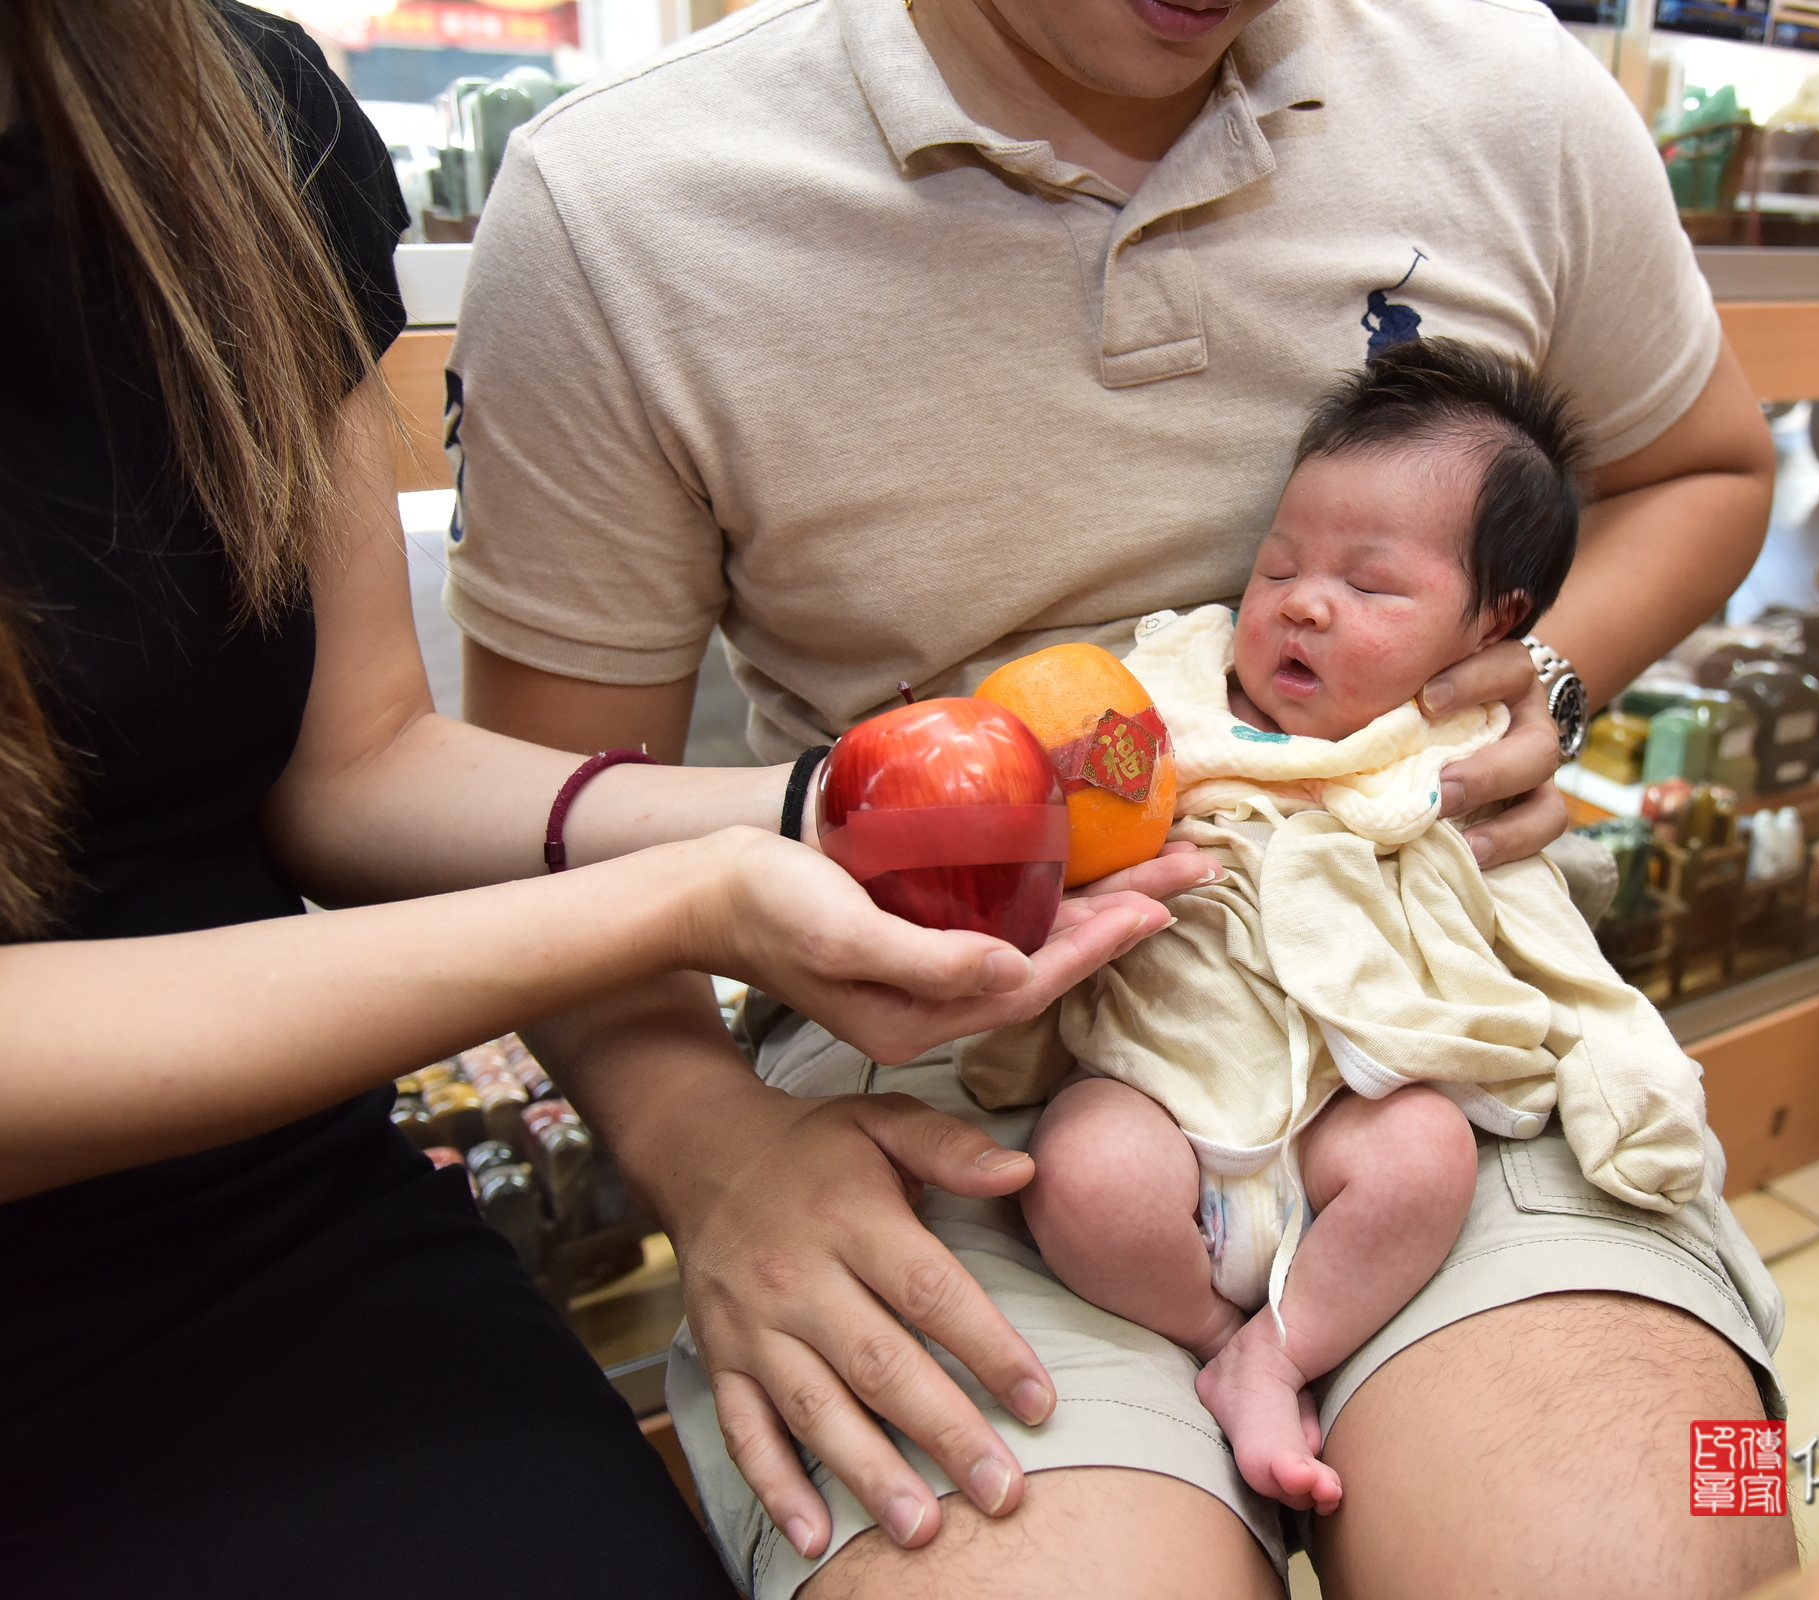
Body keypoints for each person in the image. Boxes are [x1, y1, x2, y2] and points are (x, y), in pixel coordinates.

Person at [446, 0, 1793, 1593]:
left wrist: (1542, 684)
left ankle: (1271, 1351)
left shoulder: (1514, 88)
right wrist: (705, 1148)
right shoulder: (622, 198)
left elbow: (1704, 468)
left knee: (1641, 1559)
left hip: (1422, 982)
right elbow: (546, 814)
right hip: (944, 1045)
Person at [0, 3, 1179, 1594]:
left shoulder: (216, 105)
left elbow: (356, 770)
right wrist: (683, 908)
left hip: (266, 1225)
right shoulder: (631, 199)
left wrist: (808, 816)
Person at [995, 339, 1712, 1518]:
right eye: (1278, 567)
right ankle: (1208, 1328)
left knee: (1423, 1156)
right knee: (1081, 1171)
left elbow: (1548, 945)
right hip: (1167, 1070)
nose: (1304, 600)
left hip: (1352, 1092)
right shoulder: (1166, 695)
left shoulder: (1452, 766)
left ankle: (1277, 1349)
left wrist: (1627, 1067)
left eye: (1373, 588)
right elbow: (1071, 801)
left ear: (1493, 628)